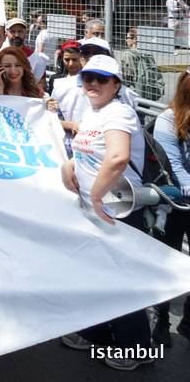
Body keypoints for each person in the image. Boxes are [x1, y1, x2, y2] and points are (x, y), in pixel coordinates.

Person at [60, 55, 153, 370]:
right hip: (98, 210)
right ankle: (97, 334)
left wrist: (97, 195)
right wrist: (69, 165)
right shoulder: (93, 111)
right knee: (96, 275)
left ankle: (137, 349)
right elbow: (90, 152)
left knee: (121, 281)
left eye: (102, 79)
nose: (93, 84)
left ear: (116, 84)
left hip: (118, 211)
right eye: (88, 78)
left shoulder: (118, 112)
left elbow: (117, 157)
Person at [148, 69, 190, 345]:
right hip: (173, 202)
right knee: (166, 264)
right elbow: (175, 170)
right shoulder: (168, 120)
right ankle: (161, 319)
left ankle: (188, 322)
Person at [0, 47, 58, 111]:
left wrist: (51, 106)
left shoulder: (35, 90)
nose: (13, 71)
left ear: (24, 67)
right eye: (7, 66)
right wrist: (0, 87)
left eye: (18, 65)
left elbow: (46, 112)